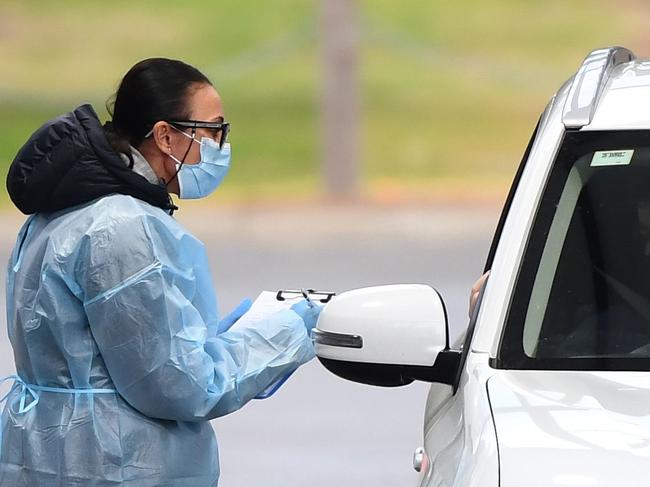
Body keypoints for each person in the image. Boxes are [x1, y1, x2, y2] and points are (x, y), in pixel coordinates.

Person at [0, 58, 321, 486]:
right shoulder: (124, 227)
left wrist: (208, 343)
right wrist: (287, 333)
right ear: (166, 136)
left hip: (48, 455)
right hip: (112, 463)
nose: (220, 145)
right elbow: (180, 384)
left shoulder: (58, 212)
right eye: (213, 130)